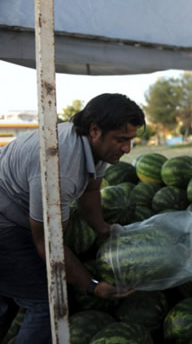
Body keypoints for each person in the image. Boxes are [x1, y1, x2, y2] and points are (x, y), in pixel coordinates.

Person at [0, 93, 145, 344]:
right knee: (48, 303)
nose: (127, 149)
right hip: (5, 220)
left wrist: (102, 228)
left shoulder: (91, 145)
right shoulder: (60, 168)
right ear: (95, 130)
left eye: (131, 140)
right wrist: (92, 286)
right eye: (121, 140)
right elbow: (48, 244)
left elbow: (90, 190)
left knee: (12, 291)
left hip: (17, 213)